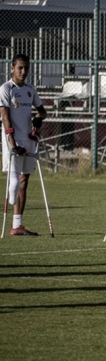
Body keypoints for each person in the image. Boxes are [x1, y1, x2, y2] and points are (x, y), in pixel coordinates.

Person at [0, 54, 48, 236]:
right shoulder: (6, 89)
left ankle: (17, 225)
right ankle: (13, 219)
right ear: (12, 68)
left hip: (28, 139)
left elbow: (43, 113)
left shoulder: (30, 89)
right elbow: (5, 118)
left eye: (26, 68)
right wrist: (12, 145)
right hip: (12, 140)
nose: (23, 71)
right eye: (20, 68)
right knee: (13, 182)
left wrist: (38, 118)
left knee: (24, 181)